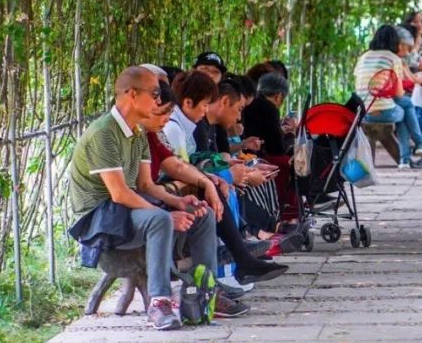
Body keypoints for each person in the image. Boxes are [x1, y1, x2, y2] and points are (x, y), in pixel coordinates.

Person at [67, 66, 237, 330]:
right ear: (132, 94)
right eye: (155, 93)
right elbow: (119, 192)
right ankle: (159, 302)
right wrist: (166, 215)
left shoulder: (138, 133)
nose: (159, 100)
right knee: (160, 220)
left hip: (124, 211)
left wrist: (180, 204)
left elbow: (146, 183)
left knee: (199, 214)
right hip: (98, 220)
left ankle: (204, 291)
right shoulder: (104, 133)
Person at [140, 87, 287, 290]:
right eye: (161, 112)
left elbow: (176, 165)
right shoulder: (150, 131)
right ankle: (234, 258)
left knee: (209, 200)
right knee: (209, 195)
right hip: (130, 208)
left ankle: (210, 286)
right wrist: (173, 202)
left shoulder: (150, 134)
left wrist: (206, 180)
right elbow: (137, 186)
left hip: (156, 195)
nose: (166, 118)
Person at [356, 25, 422, 168]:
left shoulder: (363, 57)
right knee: (407, 104)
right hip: (384, 113)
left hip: (363, 113)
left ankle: (406, 159)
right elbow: (399, 93)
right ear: (395, 42)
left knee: (403, 109)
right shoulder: (392, 58)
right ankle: (417, 147)